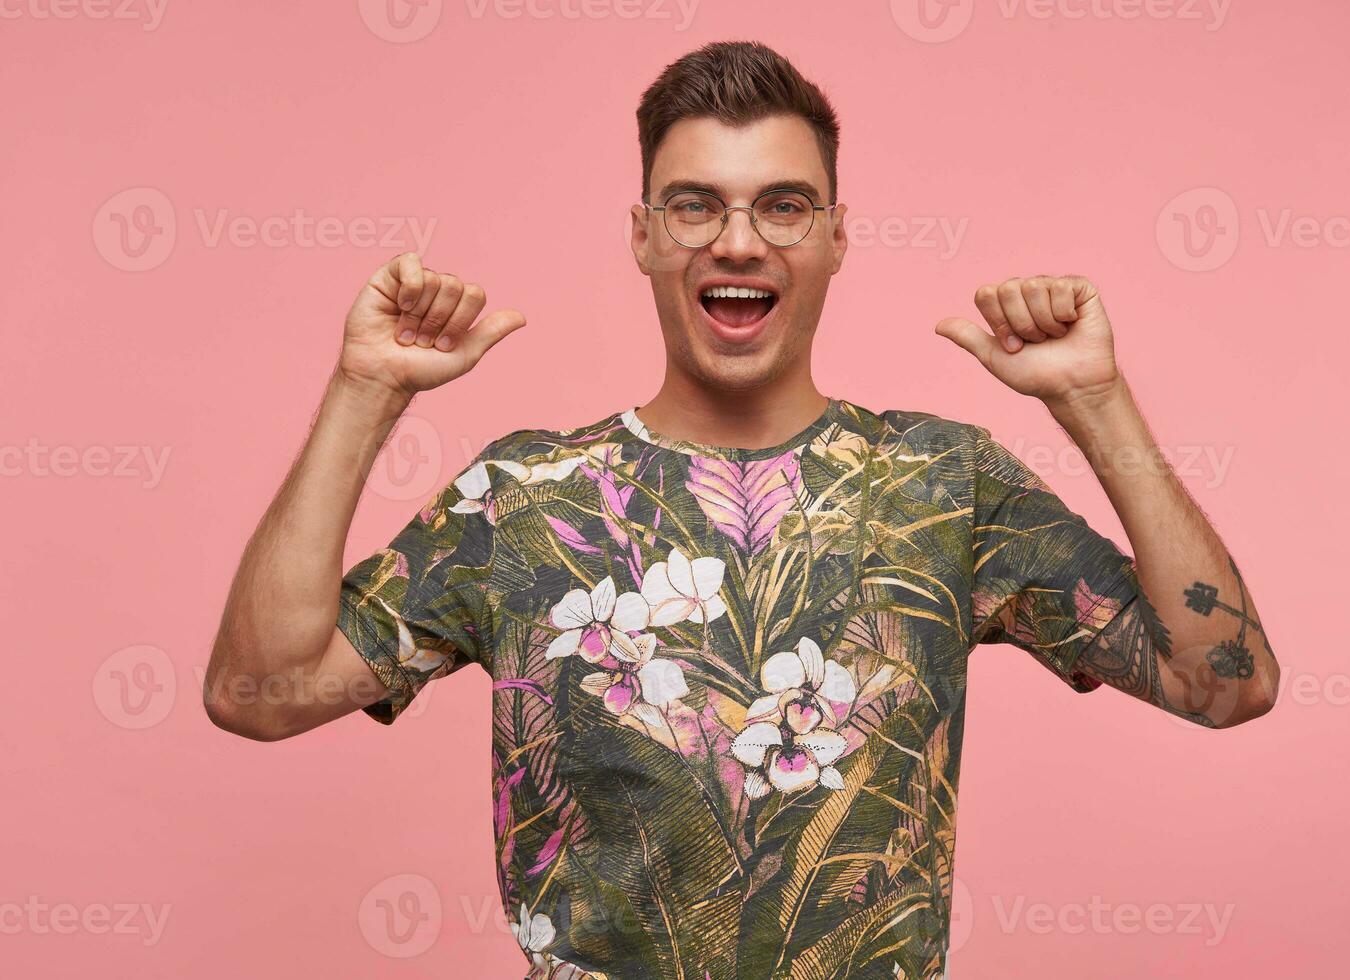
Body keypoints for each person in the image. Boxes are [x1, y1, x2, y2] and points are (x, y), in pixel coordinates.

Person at [204, 40, 1279, 980]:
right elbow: (263, 690)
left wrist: (1094, 401)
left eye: (782, 203)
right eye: (694, 204)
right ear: (643, 234)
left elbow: (1222, 682)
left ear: (834, 235)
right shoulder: (524, 499)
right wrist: (366, 391)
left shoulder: (944, 483)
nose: (736, 240)